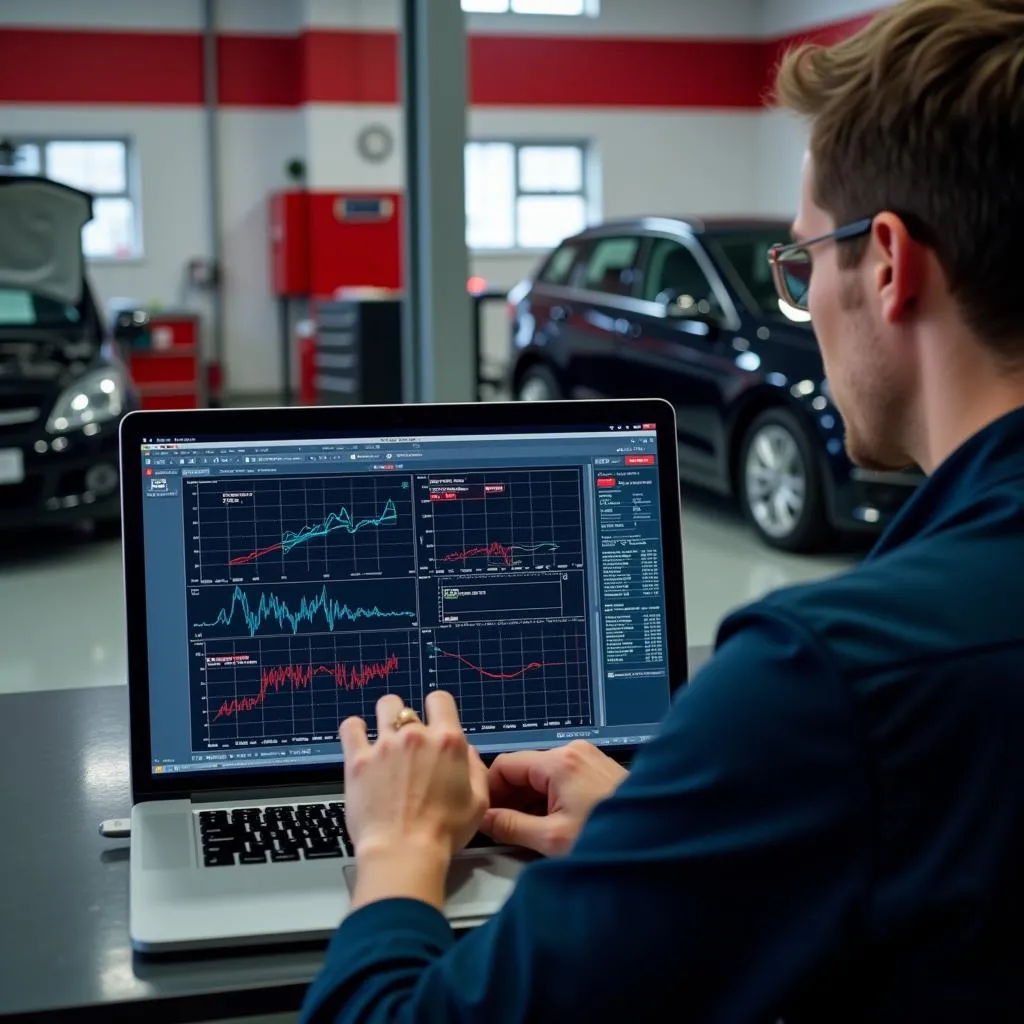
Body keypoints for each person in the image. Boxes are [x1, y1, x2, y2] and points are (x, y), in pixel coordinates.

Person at [300, 2, 1024, 1019]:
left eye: (802, 261)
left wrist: (397, 847)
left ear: (890, 265)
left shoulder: (828, 677)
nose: (804, 300)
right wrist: (671, 827)